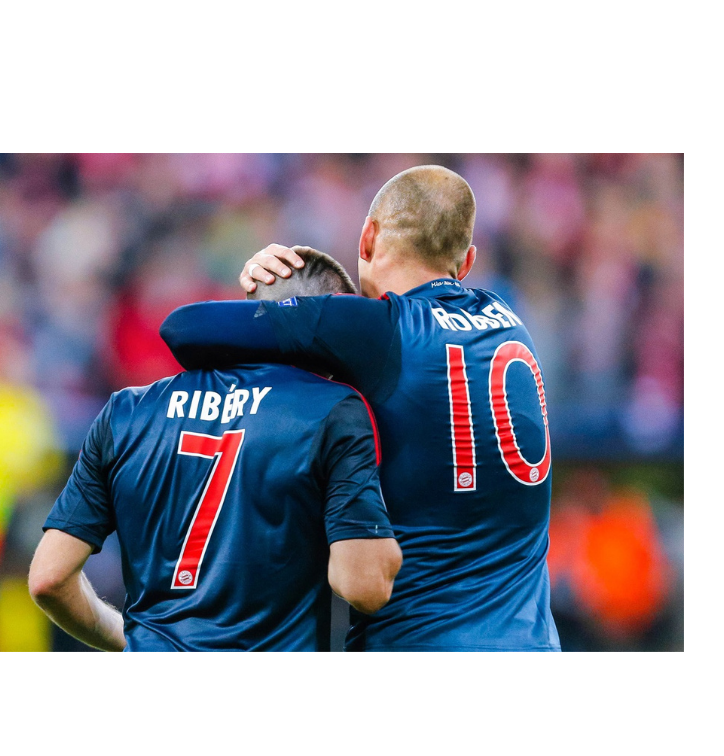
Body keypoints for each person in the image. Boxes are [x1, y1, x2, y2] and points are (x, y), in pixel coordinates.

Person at [160, 164, 562, 652]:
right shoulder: (509, 320)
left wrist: (263, 287)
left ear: (367, 237)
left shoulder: (375, 327)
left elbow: (183, 329)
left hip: (418, 639)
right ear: (467, 262)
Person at [28, 248, 402, 652]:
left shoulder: (126, 410)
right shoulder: (332, 411)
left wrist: (130, 640)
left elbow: (49, 578)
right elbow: (365, 587)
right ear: (329, 325)